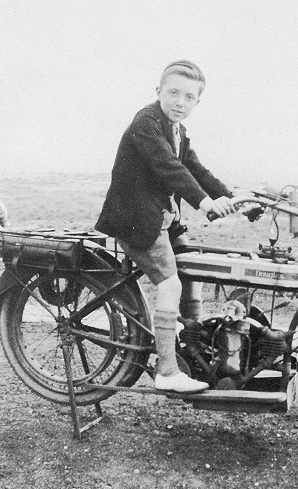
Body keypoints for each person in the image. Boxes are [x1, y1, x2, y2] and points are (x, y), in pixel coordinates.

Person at [96, 60, 235, 393]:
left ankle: (196, 350)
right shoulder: (146, 123)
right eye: (173, 93)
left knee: (194, 271)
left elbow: (196, 169)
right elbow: (169, 167)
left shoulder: (178, 130)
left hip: (162, 218)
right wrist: (205, 203)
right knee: (170, 285)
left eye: (189, 97)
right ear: (158, 91)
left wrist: (233, 197)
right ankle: (168, 372)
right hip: (136, 220)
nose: (180, 102)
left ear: (196, 103)